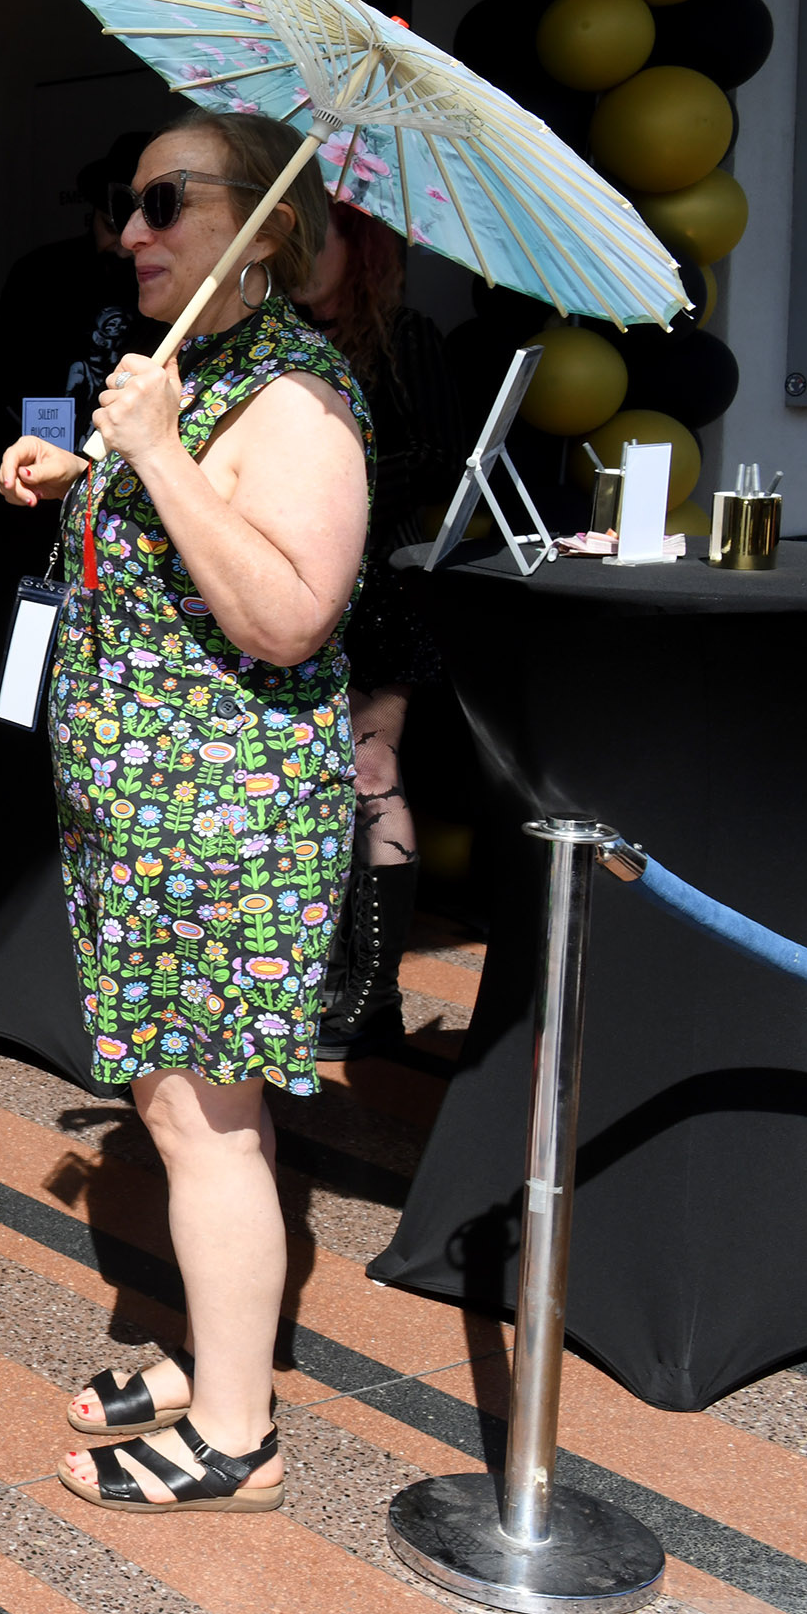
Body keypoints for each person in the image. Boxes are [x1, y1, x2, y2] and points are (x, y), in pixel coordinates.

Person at [0, 107, 367, 1517]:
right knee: (170, 1099)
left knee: (210, 1120)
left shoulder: (299, 394)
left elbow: (285, 612)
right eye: (121, 198)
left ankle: (237, 1434)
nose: (131, 231)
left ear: (265, 225)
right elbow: (204, 533)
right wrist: (88, 472)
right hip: (144, 812)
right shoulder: (194, 373)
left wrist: (145, 452)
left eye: (165, 201)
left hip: (225, 818)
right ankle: (217, 1355)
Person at [292, 197, 463, 1059]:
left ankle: (375, 991)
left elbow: (440, 456)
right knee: (312, 782)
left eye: (316, 240)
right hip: (294, 587)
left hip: (381, 589)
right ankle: (321, 975)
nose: (300, 256)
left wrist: (342, 488)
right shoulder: (277, 341)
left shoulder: (407, 338)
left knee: (370, 768)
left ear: (360, 250)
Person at [0, 129, 153, 443]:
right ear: (92, 212)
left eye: (141, 231)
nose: (124, 245)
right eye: (111, 225)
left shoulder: (167, 287)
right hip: (32, 454)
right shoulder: (41, 272)